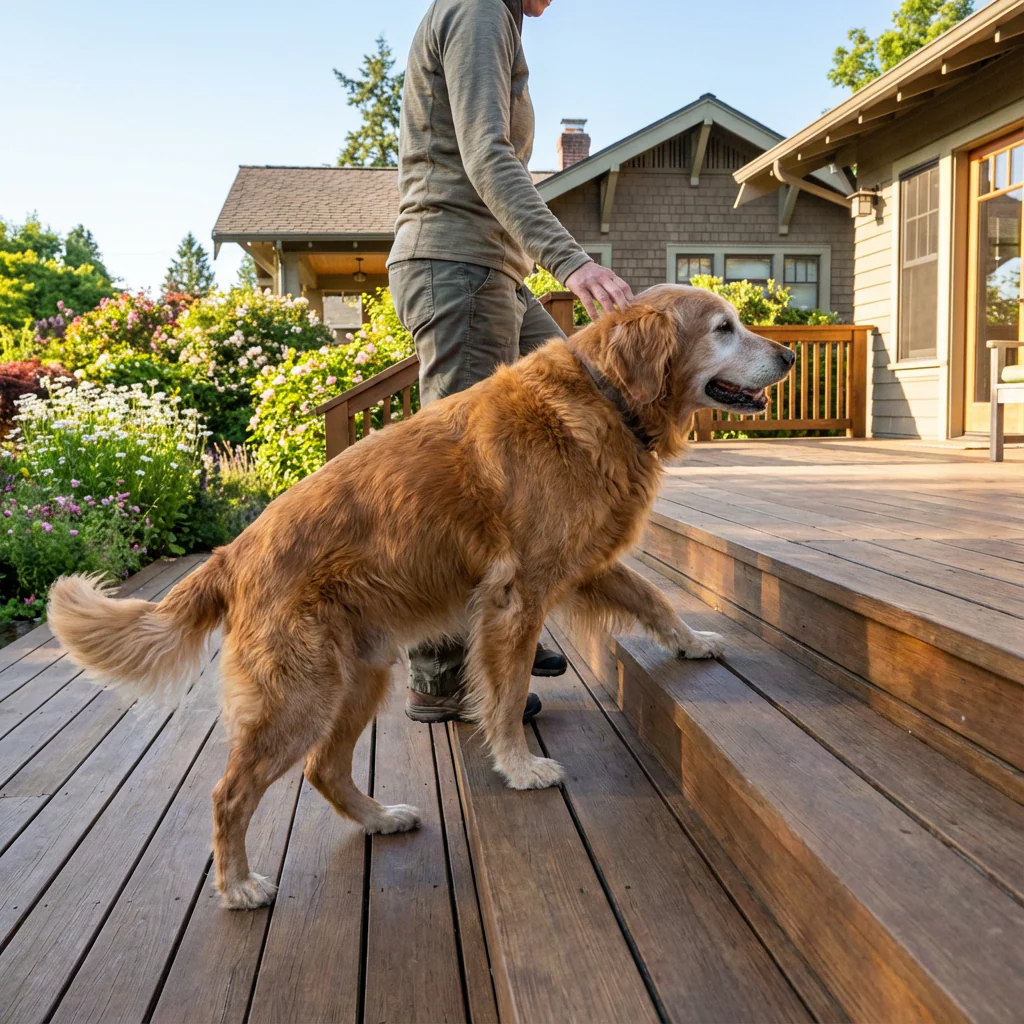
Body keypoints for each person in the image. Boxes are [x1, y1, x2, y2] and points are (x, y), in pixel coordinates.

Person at [388, 0, 635, 723]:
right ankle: (441, 675)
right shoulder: (478, 10)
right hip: (457, 266)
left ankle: (514, 621)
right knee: (465, 477)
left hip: (492, 270)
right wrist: (573, 262)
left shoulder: (498, 18)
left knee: (578, 389)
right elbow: (485, 154)